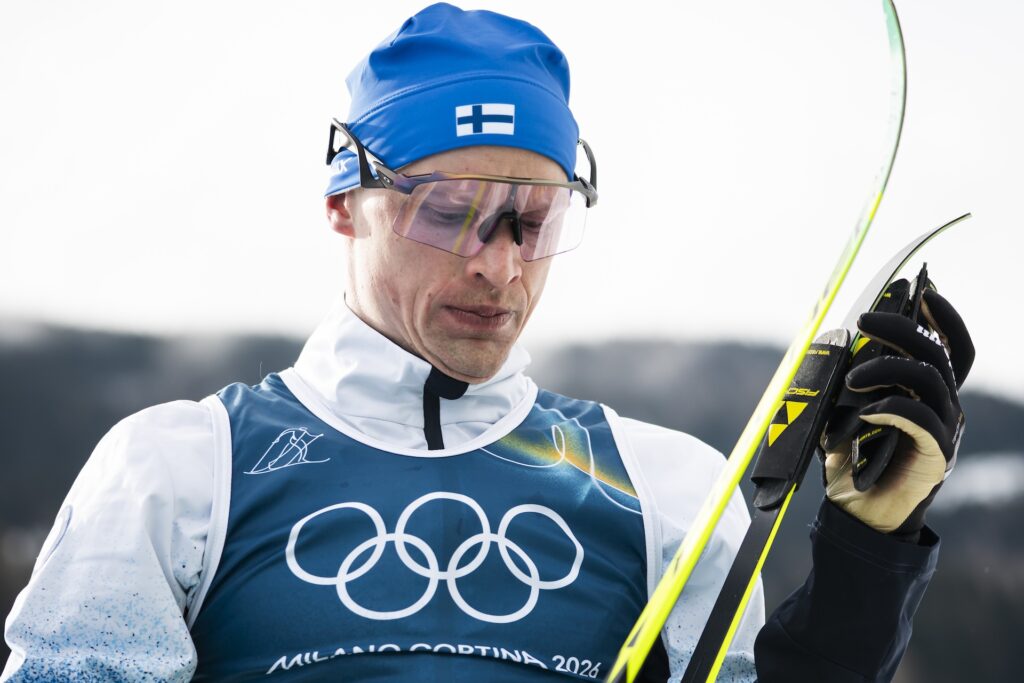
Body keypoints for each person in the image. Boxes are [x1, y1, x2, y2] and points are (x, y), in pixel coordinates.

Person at [2, 4, 974, 682]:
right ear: (344, 202)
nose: (497, 269)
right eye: (449, 214)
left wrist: (867, 554)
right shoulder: (176, 472)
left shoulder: (668, 489)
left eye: (531, 222)